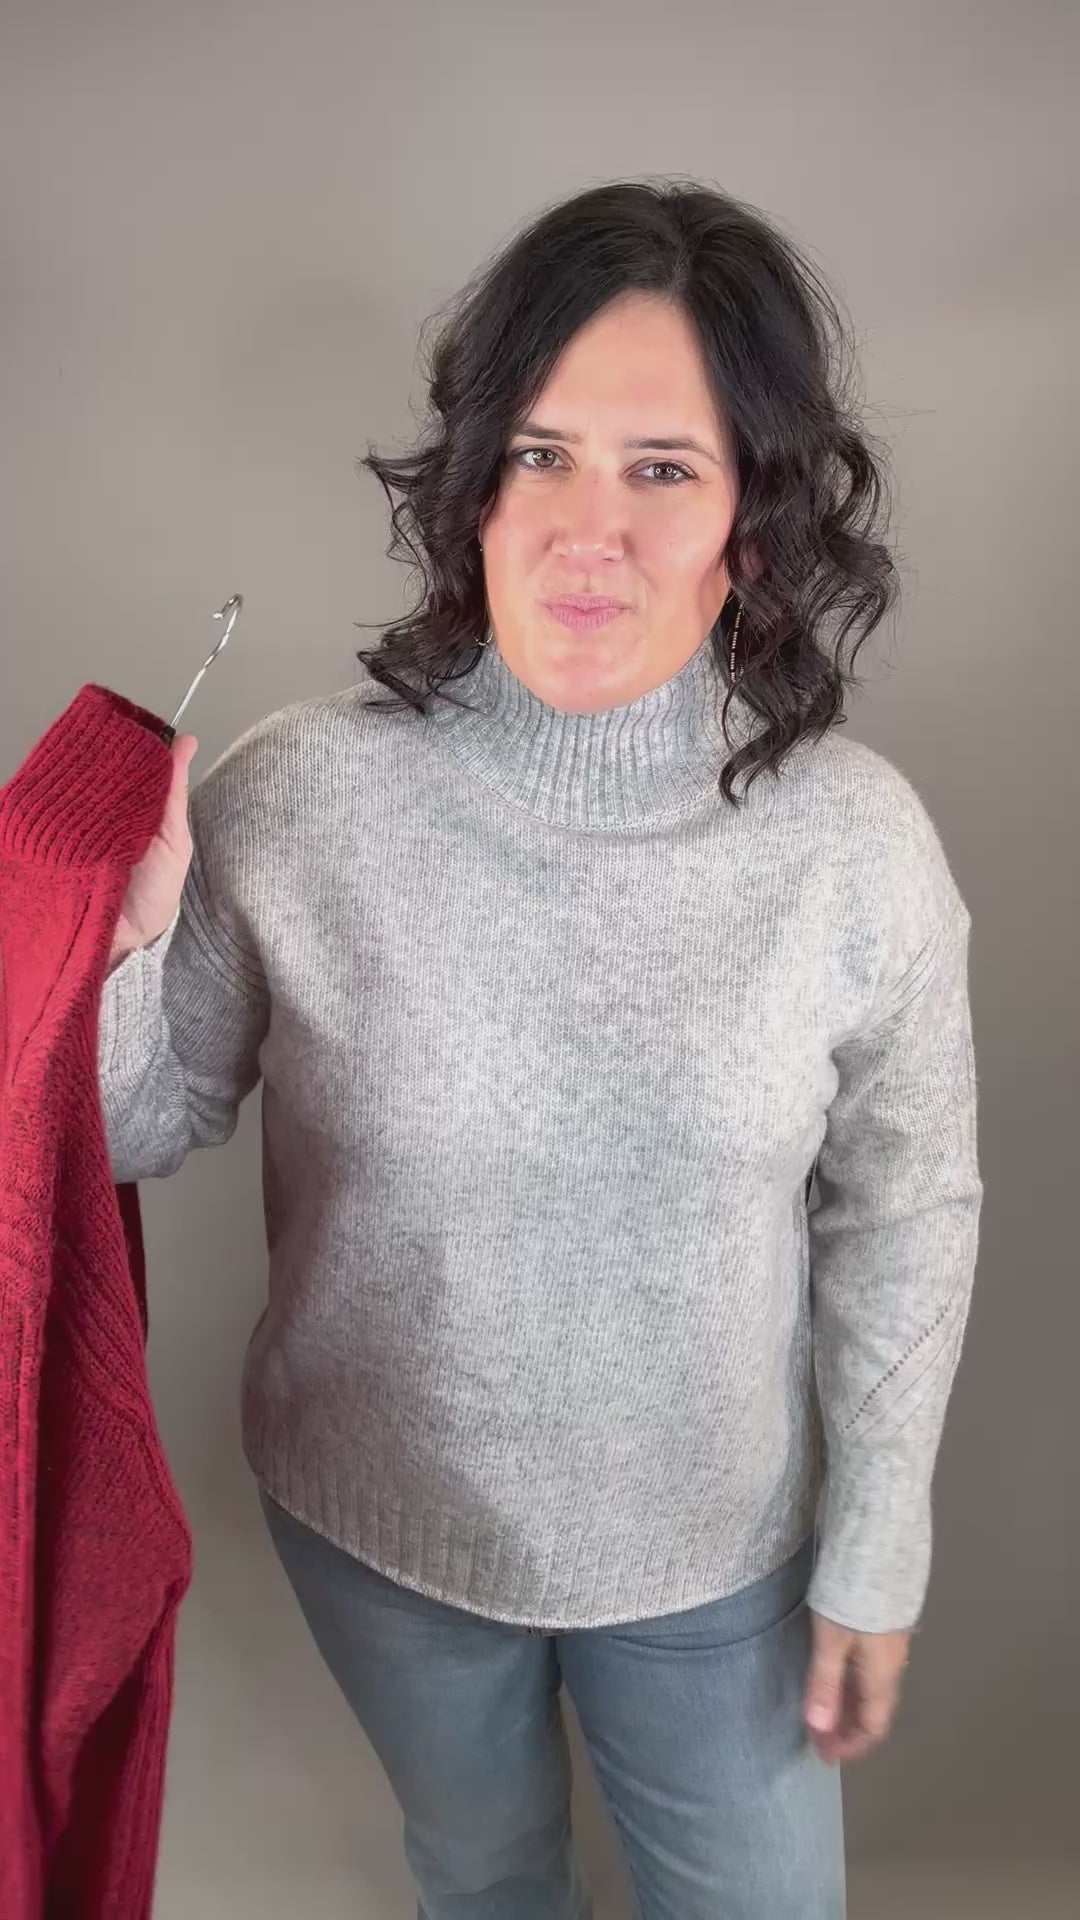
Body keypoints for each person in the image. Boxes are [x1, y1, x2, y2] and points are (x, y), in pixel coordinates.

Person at [99, 179, 982, 1919]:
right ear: (474, 485)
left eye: (662, 468)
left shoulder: (854, 848)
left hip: (713, 1553)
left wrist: (880, 1543)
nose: (590, 528)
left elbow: (907, 1205)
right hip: (379, 1533)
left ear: (755, 520)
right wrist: (121, 940)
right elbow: (137, 1123)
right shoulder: (300, 799)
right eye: (541, 454)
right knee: (484, 1871)